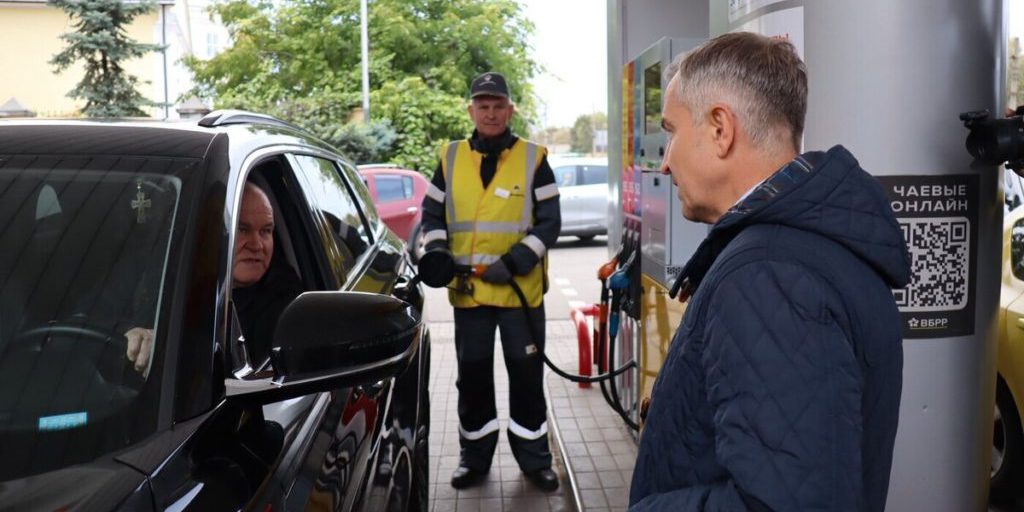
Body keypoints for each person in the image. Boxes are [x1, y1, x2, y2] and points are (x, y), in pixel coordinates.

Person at [629, 32, 911, 511]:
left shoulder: (769, 275)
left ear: (721, 128)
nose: (665, 160)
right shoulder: (801, 249)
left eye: (672, 131)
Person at [419, 72, 562, 491]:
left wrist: (516, 260)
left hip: (520, 294)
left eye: (498, 105)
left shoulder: (534, 158)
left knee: (526, 377)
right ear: (472, 111)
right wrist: (439, 252)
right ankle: (475, 459)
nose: (491, 113)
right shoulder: (449, 157)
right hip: (469, 295)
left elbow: (551, 223)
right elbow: (431, 217)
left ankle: (535, 461)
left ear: (510, 110)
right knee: (474, 378)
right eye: (483, 106)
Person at [126, 182, 302, 372]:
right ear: (210, 231)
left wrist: (164, 347)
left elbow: (244, 376)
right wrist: (133, 338)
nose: (257, 245)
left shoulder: (287, 302)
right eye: (242, 229)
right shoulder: (171, 275)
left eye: (266, 230)